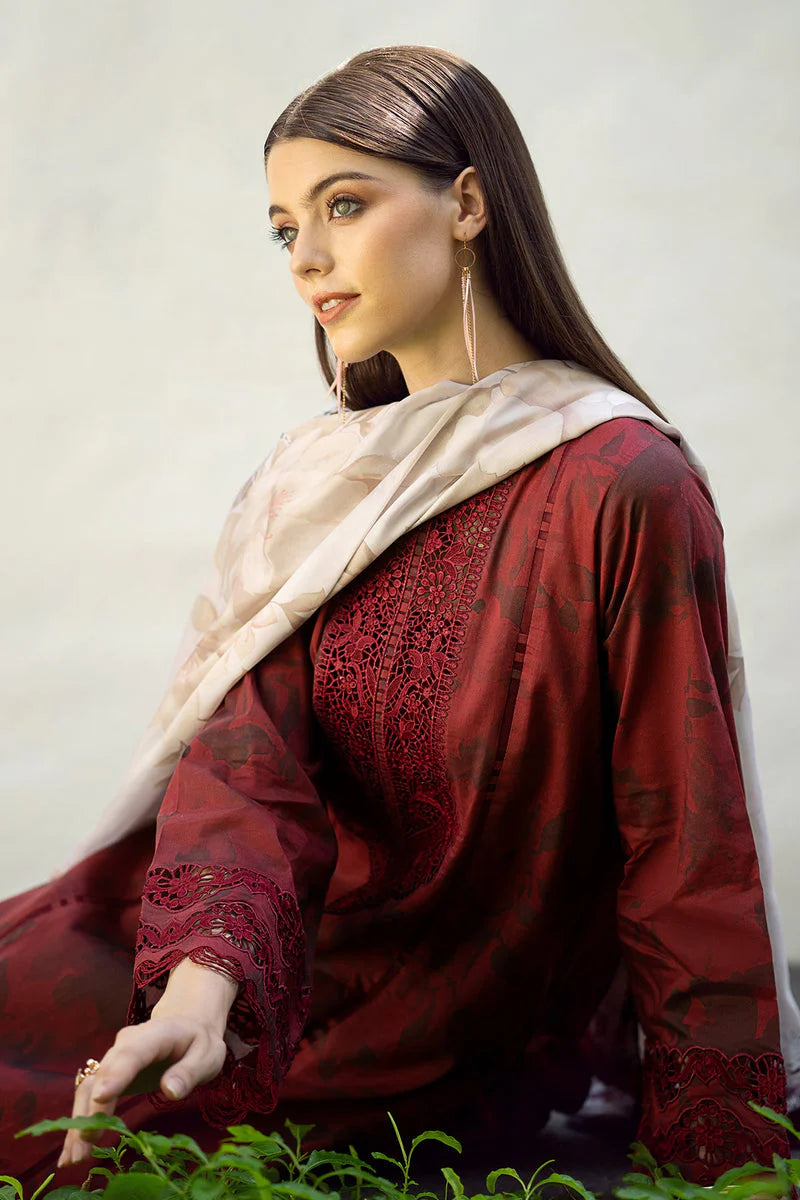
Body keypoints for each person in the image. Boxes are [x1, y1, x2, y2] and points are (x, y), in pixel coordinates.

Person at [1, 44, 798, 1191]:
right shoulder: (315, 487)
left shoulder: (621, 484)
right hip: (230, 980)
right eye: (283, 227)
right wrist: (195, 993)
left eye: (342, 204)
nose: (307, 259)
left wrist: (725, 1164)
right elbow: (246, 772)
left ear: (466, 202)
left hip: (422, 1040)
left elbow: (683, 848)